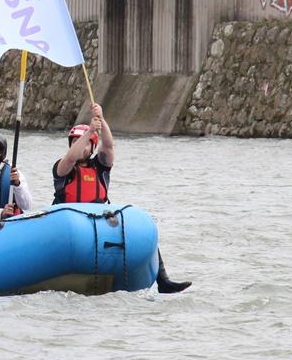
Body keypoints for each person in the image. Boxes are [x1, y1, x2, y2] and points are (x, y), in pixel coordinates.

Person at [53, 104, 191, 293]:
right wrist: (89, 132)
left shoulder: (99, 167)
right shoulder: (63, 168)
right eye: (74, 142)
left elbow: (108, 146)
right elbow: (70, 159)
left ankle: (163, 279)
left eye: (84, 142)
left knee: (144, 227)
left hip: (98, 218)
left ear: (93, 146)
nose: (79, 146)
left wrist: (102, 120)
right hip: (71, 222)